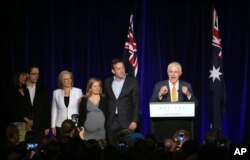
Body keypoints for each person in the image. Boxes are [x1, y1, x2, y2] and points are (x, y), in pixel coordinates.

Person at [104, 58, 140, 146]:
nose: (121, 71)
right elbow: (105, 101)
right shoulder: (107, 82)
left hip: (127, 121)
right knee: (112, 149)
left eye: (122, 68)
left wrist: (135, 120)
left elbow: (136, 103)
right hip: (112, 121)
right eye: (118, 69)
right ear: (113, 71)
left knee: (127, 149)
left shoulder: (132, 82)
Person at [51, 70, 83, 137]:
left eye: (70, 78)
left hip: (75, 124)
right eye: (66, 79)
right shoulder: (56, 92)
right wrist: (53, 125)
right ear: (61, 81)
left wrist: (81, 124)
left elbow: (82, 109)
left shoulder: (78, 91)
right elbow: (54, 110)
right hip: (60, 125)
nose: (69, 81)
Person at [25, 64, 51, 136]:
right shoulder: (22, 88)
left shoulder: (43, 88)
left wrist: (47, 126)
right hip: (25, 125)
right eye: (34, 74)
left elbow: (47, 108)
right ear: (27, 74)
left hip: (39, 126)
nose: (36, 76)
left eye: (38, 74)